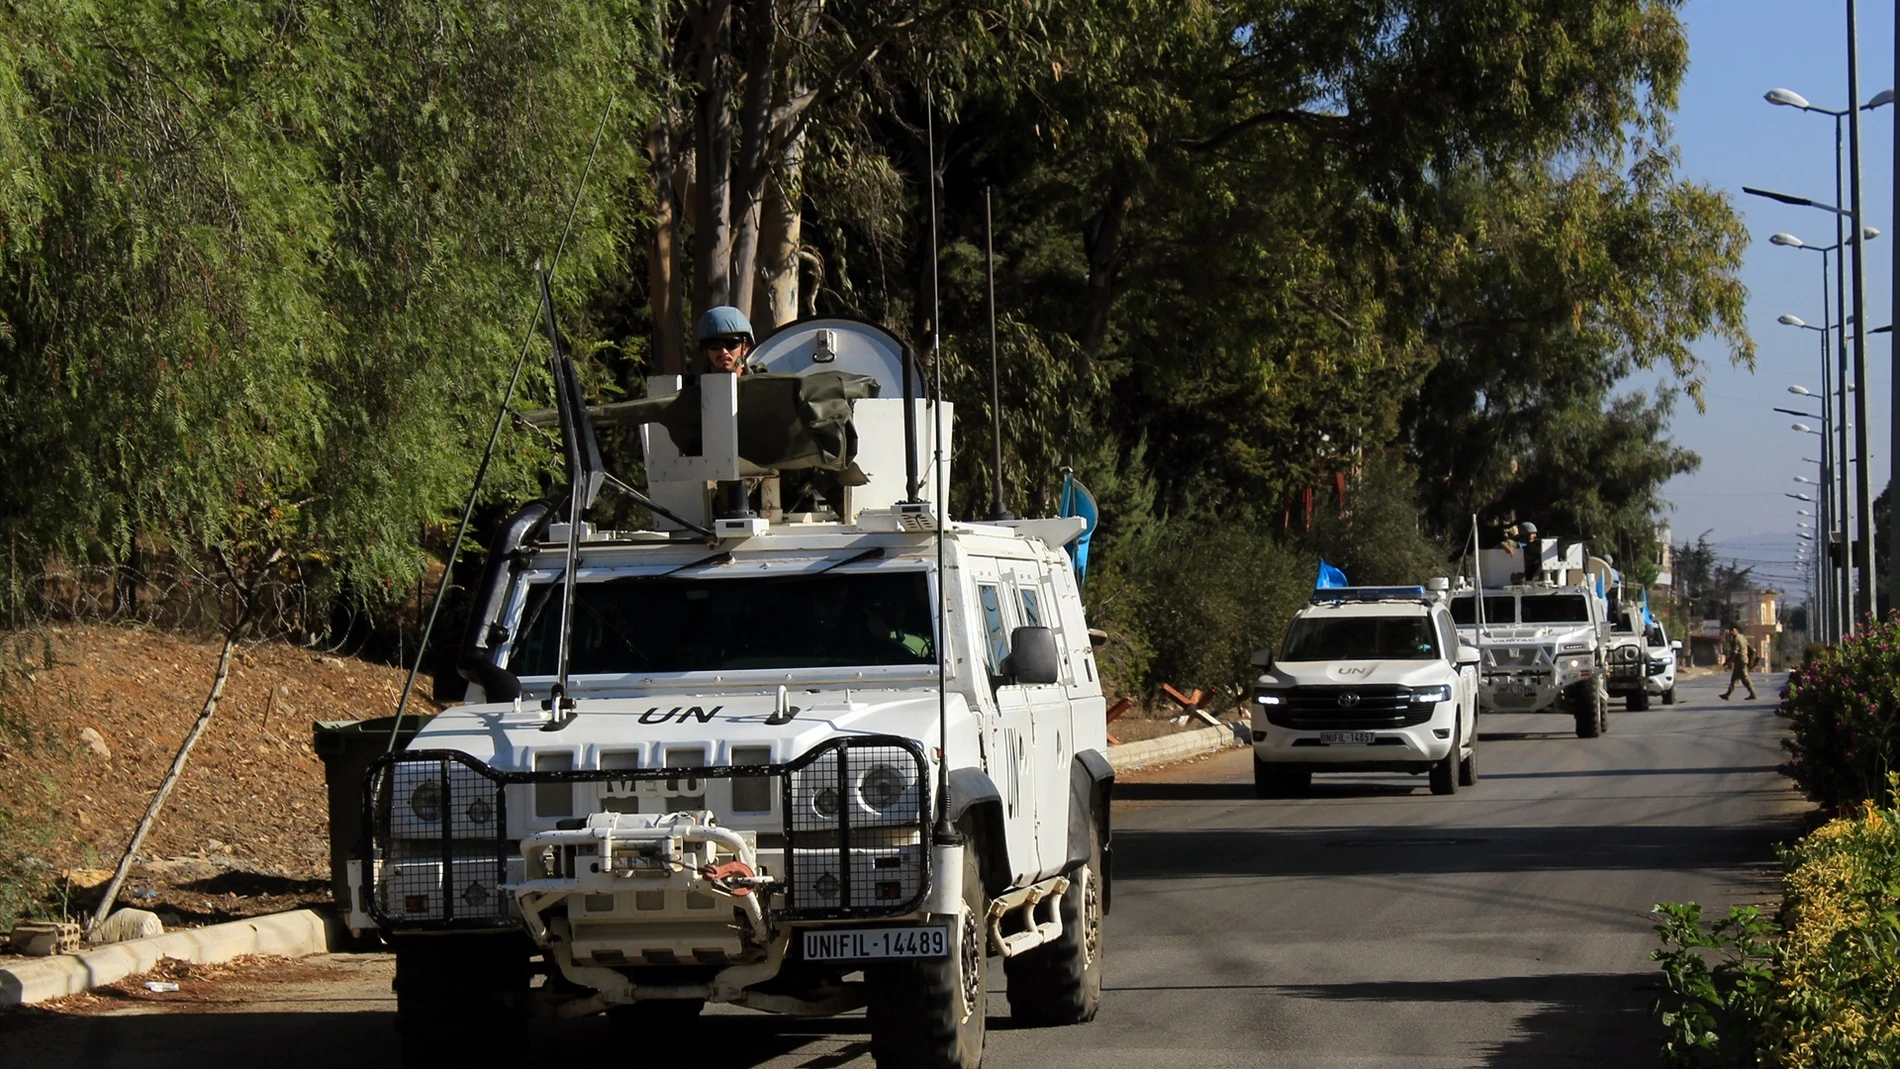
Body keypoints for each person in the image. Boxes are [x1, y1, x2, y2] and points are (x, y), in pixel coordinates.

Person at [696, 305, 755, 375]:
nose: (724, 352)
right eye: (715, 345)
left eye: (731, 343)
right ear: (705, 350)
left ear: (745, 348)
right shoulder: (690, 382)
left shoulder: (762, 381)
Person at [1719, 627, 1756, 701]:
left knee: (1745, 678)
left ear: (1736, 631)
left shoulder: (1736, 639)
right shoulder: (1742, 637)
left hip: (1740, 661)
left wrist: (1727, 662)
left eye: (1733, 631)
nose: (1731, 632)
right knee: (1733, 678)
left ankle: (1753, 693)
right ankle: (1728, 694)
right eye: (1730, 631)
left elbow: (1734, 653)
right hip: (1742, 660)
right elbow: (1748, 646)